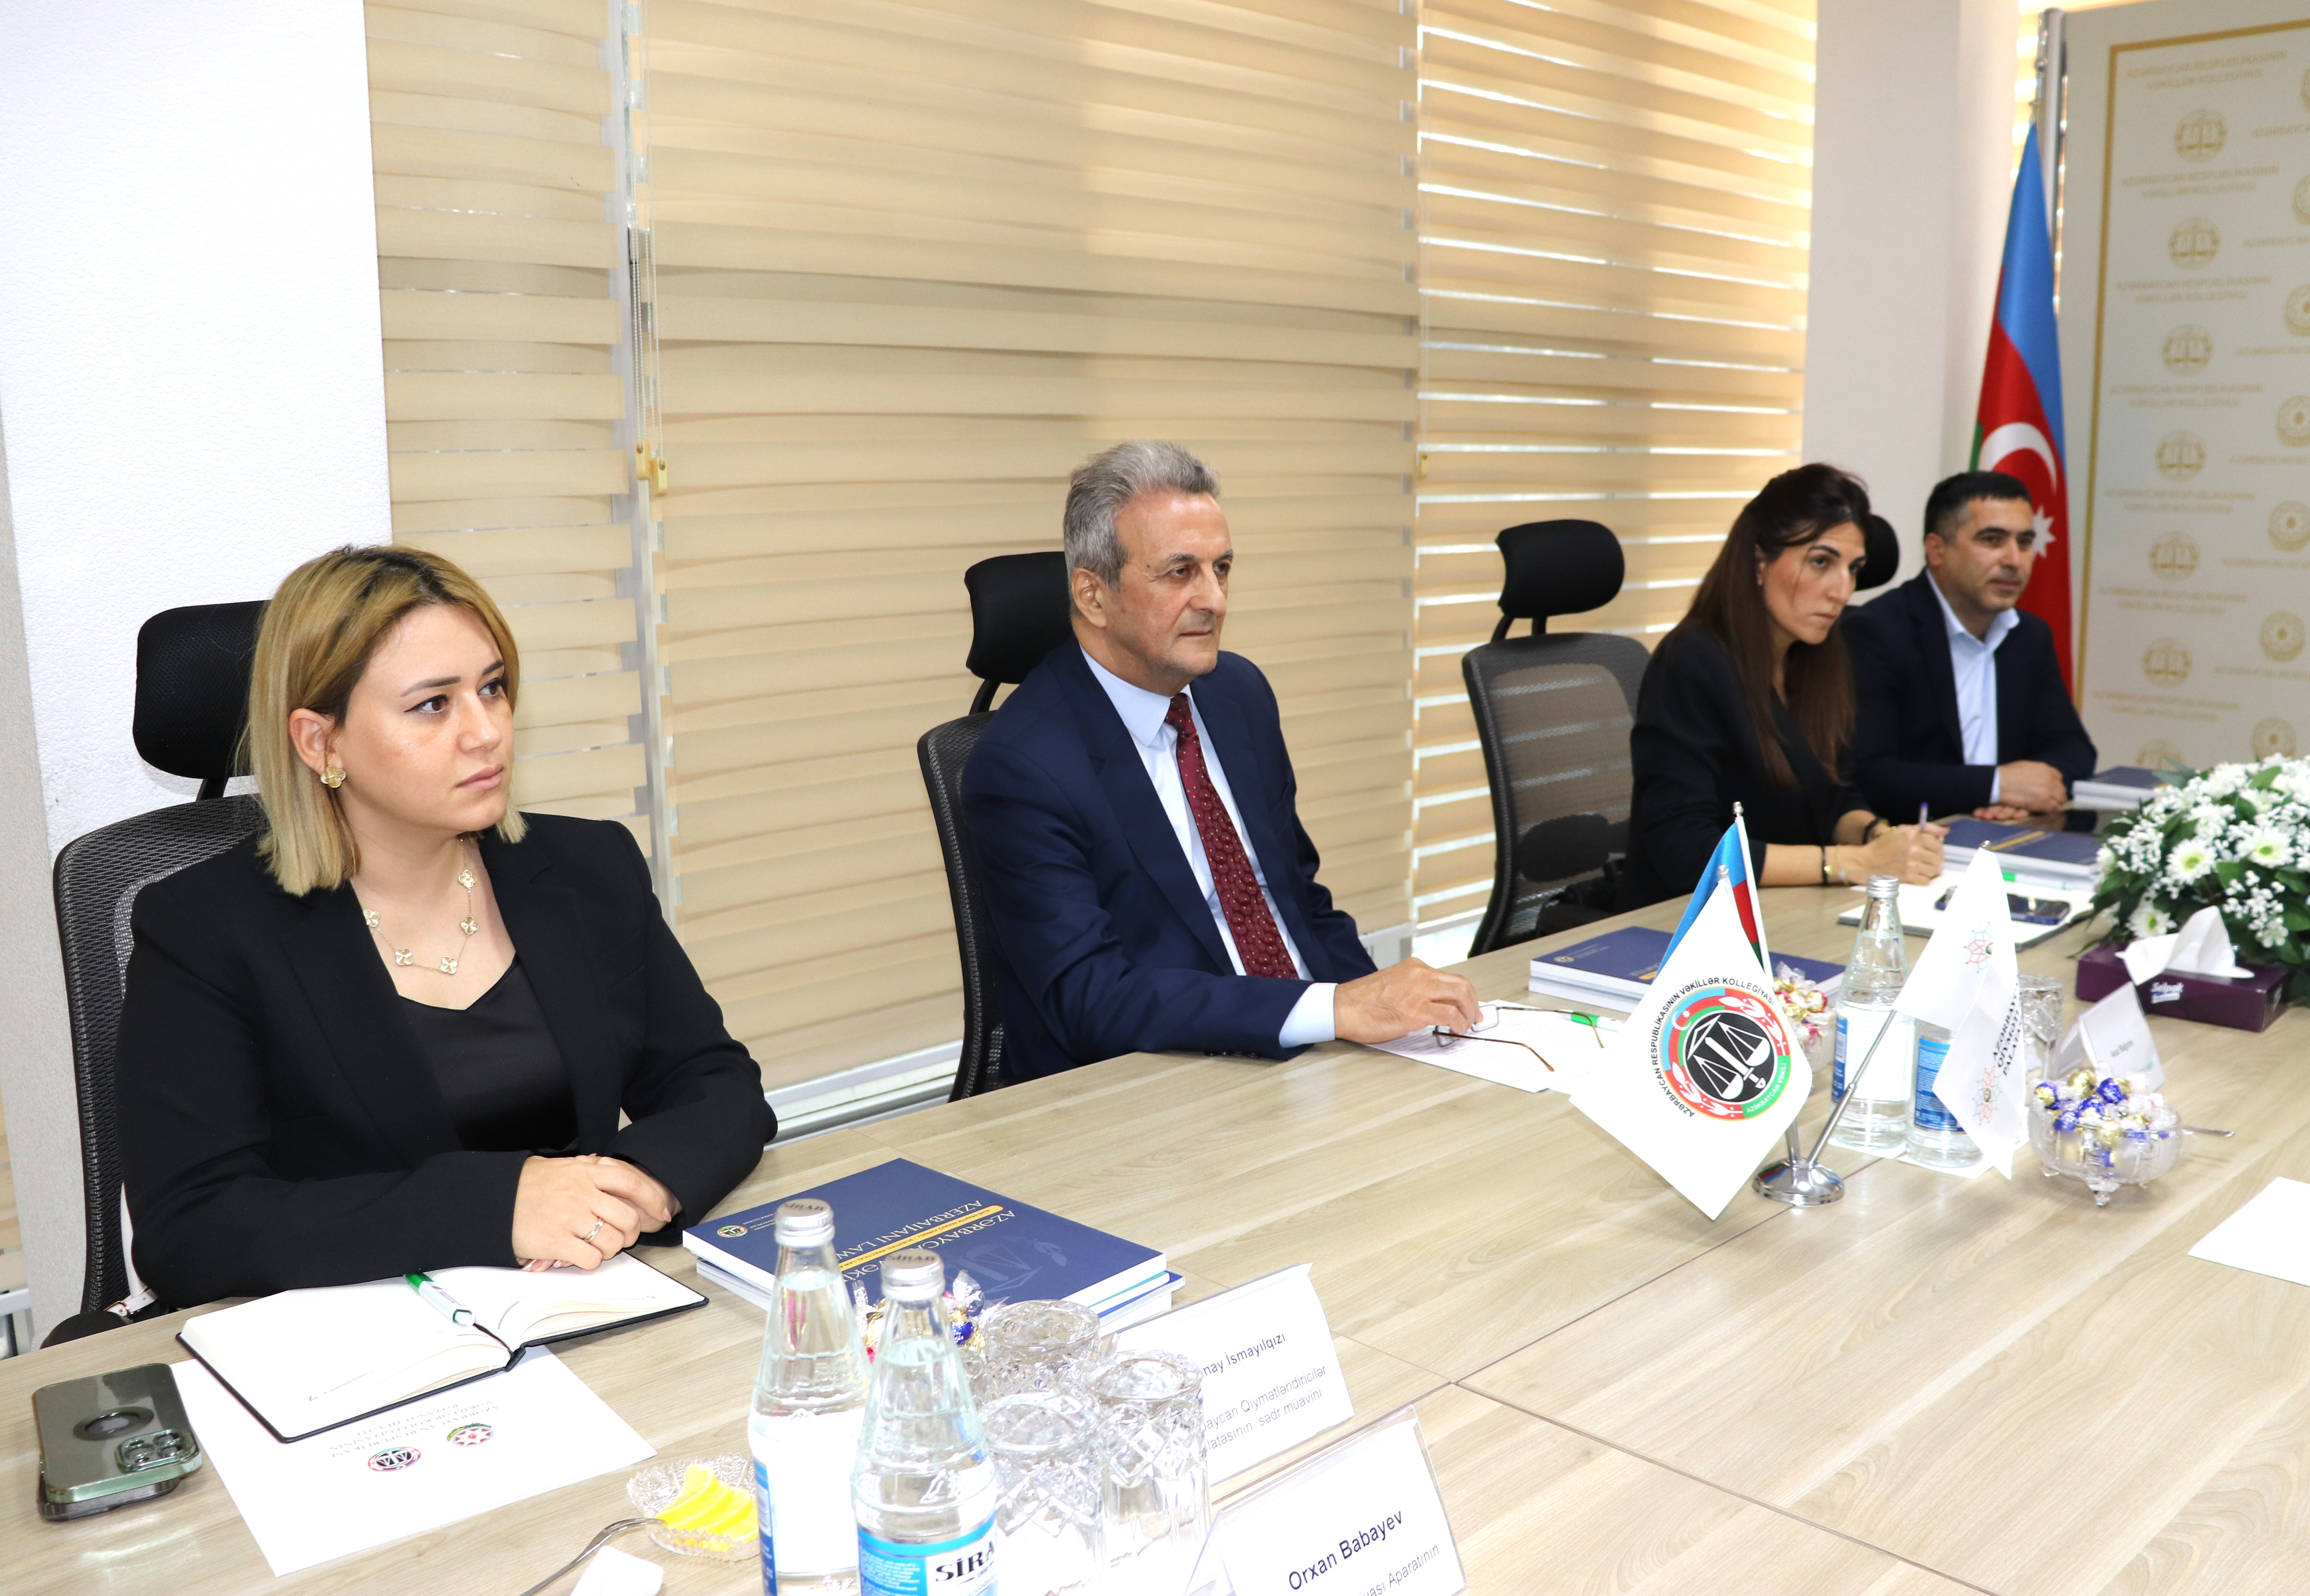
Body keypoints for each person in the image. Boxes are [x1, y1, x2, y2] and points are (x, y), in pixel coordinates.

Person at [119, 547, 772, 1308]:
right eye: (434, 704)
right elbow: (192, 1227)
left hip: (589, 1297)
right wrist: (498, 1207)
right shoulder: (203, 931)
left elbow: (715, 1085)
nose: (486, 731)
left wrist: (633, 1184)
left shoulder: (587, 868)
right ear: (320, 742)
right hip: (371, 1333)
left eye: (492, 688)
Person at [962, 441, 1479, 1081]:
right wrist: (1332, 1010)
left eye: (1222, 568)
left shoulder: (1238, 694)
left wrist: (1389, 1017)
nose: (1215, 599)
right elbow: (1091, 997)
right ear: (1092, 597)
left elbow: (1298, 901)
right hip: (1162, 1083)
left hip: (1314, 1059)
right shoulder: (1022, 767)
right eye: (1181, 572)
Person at [1622, 464, 1944, 909]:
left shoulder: (1815, 654)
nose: (1841, 591)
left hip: (1784, 908)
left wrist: (1881, 837)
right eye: (1820, 562)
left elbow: (1834, 797)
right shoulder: (1691, 661)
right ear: (1758, 563)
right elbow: (1685, 853)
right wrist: (1850, 862)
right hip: (1689, 924)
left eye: (1853, 569)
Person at [1844, 470, 2097, 821]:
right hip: (1913, 841)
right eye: (1992, 540)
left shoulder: (2029, 635)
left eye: (2025, 542)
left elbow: (2074, 749)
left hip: (2005, 833)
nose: (2014, 560)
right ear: (1937, 550)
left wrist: (2021, 793)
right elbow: (1870, 775)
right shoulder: (1877, 632)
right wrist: (1996, 786)